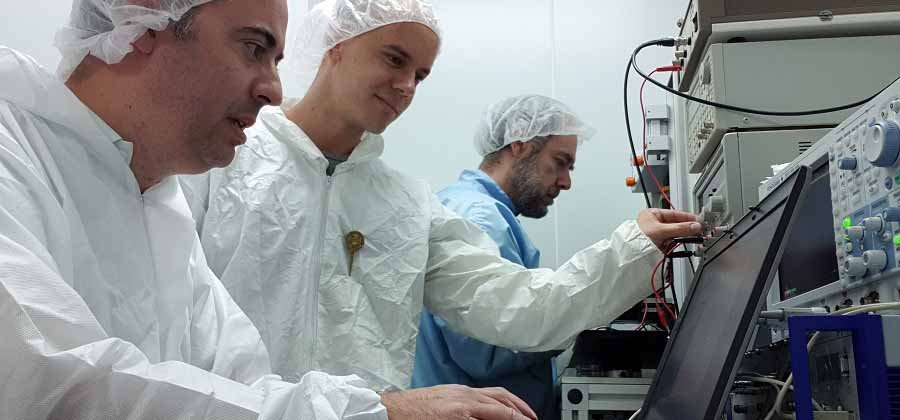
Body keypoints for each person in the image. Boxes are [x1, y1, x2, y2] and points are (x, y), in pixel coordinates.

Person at [0, 1, 535, 419]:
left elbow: (241, 382)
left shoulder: (156, 203)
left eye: (276, 60)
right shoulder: (16, 155)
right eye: (254, 48)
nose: (274, 90)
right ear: (142, 19)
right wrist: (376, 413)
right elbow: (57, 385)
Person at [182, 0, 701, 398]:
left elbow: (519, 306)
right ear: (337, 44)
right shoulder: (220, 163)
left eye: (421, 75)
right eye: (395, 58)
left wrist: (632, 247)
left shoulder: (406, 205)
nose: (407, 86)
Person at [412, 94, 596, 420]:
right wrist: (578, 317)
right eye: (560, 161)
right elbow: (491, 348)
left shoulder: (466, 205)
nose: (566, 181)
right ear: (520, 146)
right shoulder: (480, 217)